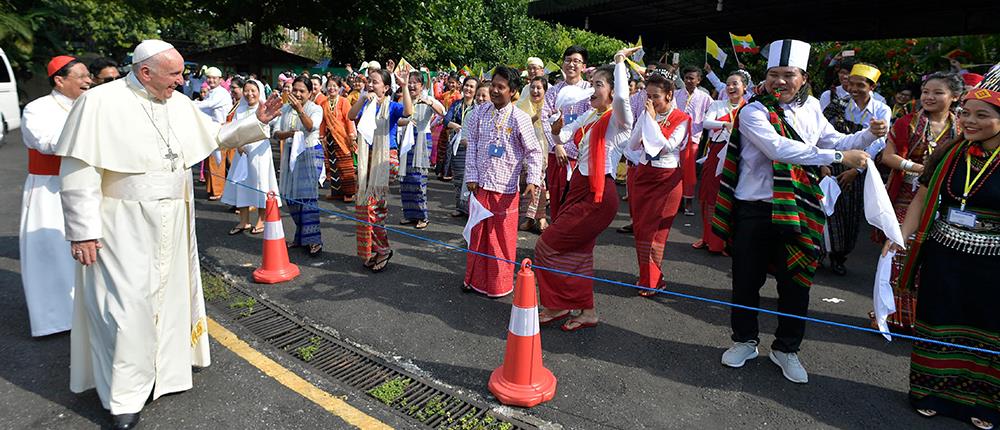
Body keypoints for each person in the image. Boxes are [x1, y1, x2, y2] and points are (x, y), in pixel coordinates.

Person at [54, 40, 282, 429]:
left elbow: (215, 136)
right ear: (145, 72)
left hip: (174, 217)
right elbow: (78, 172)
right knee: (126, 308)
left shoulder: (176, 103)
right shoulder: (100, 103)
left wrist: (256, 121)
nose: (182, 80)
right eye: (175, 74)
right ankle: (124, 395)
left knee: (170, 296)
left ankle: (166, 371)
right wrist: (83, 231)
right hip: (121, 222)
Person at [711, 39, 887, 383]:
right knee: (746, 281)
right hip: (755, 210)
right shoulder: (753, 111)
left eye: (787, 75)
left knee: (797, 283)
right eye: (773, 74)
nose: (780, 81)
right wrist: (838, 159)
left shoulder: (810, 111)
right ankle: (745, 341)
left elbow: (835, 139)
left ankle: (786, 349)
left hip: (797, 206)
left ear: (803, 77)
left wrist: (867, 135)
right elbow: (780, 149)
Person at [885, 67, 1000, 430]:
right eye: (966, 112)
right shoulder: (951, 153)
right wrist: (900, 234)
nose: (970, 121)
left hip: (993, 264)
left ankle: (986, 404)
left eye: (983, 115)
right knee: (937, 321)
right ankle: (930, 393)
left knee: (986, 328)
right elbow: (921, 198)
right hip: (944, 254)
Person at [535, 48, 636, 331]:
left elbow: (623, 99)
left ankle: (559, 303)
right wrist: (556, 130)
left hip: (598, 197)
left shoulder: (619, 121)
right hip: (578, 189)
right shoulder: (591, 115)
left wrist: (618, 62)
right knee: (575, 253)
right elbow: (563, 135)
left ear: (613, 91)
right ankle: (586, 310)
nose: (592, 89)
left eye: (598, 85)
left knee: (546, 245)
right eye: (592, 84)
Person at [878, 72, 962, 330]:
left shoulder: (962, 128)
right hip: (906, 198)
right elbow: (887, 157)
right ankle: (892, 314)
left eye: (938, 92)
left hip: (945, 200)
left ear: (955, 97)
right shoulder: (907, 122)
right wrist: (917, 167)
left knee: (932, 260)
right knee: (899, 252)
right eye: (926, 92)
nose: (929, 97)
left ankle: (921, 317)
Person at [19, 56, 91, 337]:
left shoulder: (90, 105)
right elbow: (44, 141)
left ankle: (86, 312)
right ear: (60, 80)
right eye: (81, 76)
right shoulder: (38, 109)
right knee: (50, 251)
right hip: (49, 188)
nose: (88, 81)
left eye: (89, 75)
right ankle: (55, 319)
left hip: (86, 187)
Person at [462, 66, 543, 297]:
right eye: (493, 85)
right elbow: (472, 145)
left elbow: (534, 152)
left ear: (513, 91)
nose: (495, 90)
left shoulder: (520, 118)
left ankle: (499, 286)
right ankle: (473, 281)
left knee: (501, 242)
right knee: (477, 237)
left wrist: (533, 179)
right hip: (480, 187)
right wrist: (471, 176)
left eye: (501, 87)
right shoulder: (479, 112)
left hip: (505, 190)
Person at [621, 71, 690, 297]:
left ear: (669, 95)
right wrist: (646, 122)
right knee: (641, 228)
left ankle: (653, 279)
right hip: (644, 176)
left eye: (656, 97)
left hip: (667, 179)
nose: (650, 102)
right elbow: (632, 144)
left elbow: (666, 146)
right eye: (647, 96)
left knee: (657, 233)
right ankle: (646, 276)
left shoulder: (681, 118)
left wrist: (650, 122)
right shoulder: (646, 114)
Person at [821, 63, 892, 275]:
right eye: (850, 84)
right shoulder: (837, 105)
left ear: (872, 86)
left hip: (861, 165)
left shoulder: (881, 109)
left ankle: (839, 257)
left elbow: (879, 142)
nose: (853, 89)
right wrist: (823, 164)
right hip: (832, 160)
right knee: (826, 210)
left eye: (860, 85)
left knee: (849, 214)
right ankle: (819, 253)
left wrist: (857, 170)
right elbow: (823, 135)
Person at [349, 67, 413, 272]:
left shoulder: (392, 106)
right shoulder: (366, 105)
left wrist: (404, 86)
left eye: (375, 82)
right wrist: (362, 99)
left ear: (385, 88)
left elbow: (408, 112)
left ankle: (383, 250)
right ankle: (375, 249)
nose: (370, 84)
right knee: (368, 208)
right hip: (366, 158)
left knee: (373, 209)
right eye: (369, 80)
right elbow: (351, 116)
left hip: (386, 160)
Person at [694, 69, 749, 254]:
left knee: (731, 198)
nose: (731, 87)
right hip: (716, 153)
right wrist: (725, 124)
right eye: (728, 84)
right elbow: (706, 123)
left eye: (735, 84)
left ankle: (727, 241)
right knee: (710, 196)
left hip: (737, 157)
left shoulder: (749, 108)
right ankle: (710, 239)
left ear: (745, 87)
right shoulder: (718, 105)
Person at [272, 76, 325, 256]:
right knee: (291, 197)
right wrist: (288, 133)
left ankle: (314, 240)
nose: (298, 93)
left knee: (308, 197)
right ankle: (301, 236)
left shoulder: (315, 108)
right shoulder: (285, 109)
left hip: (310, 154)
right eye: (295, 90)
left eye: (302, 91)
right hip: (290, 154)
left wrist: (300, 110)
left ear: (310, 93)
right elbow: (276, 133)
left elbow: (311, 128)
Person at [222, 79, 281, 235]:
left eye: (253, 90)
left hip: (259, 152)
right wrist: (238, 144)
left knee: (261, 183)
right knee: (241, 184)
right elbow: (233, 129)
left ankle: (261, 220)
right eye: (246, 90)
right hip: (241, 153)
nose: (249, 94)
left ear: (259, 91)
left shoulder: (264, 108)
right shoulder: (239, 110)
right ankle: (244, 221)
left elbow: (271, 126)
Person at [542, 46, 592, 221]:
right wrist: (557, 145)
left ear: (584, 66)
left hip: (579, 156)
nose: (571, 64)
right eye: (568, 60)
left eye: (576, 61)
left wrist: (574, 148)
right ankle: (555, 237)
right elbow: (544, 119)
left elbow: (590, 122)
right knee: (556, 198)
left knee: (574, 201)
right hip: (556, 154)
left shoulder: (589, 91)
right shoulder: (553, 91)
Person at [399, 71, 446, 229]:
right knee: (406, 179)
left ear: (422, 85)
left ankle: (422, 216)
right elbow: (397, 119)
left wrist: (430, 103)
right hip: (406, 139)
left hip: (421, 139)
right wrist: (405, 122)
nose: (412, 85)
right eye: (409, 82)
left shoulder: (428, 99)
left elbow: (443, 113)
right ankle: (409, 214)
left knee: (419, 179)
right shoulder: (404, 98)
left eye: (415, 83)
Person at [674, 66, 713, 216]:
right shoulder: (676, 94)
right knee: (674, 170)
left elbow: (712, 116)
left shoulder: (705, 98)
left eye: (692, 78)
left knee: (688, 171)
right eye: (686, 78)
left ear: (699, 80)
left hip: (693, 139)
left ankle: (688, 200)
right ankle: (676, 200)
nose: (689, 81)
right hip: (674, 138)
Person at [516, 76, 549, 233]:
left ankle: (539, 217)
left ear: (545, 90)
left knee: (540, 183)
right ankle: (530, 218)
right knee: (527, 183)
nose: (535, 91)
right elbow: (522, 125)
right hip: (525, 148)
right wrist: (538, 115)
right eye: (533, 88)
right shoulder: (522, 105)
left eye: (539, 88)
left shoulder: (550, 105)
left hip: (544, 148)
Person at [443, 77, 480, 217]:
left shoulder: (478, 107)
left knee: (470, 178)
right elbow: (446, 120)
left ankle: (471, 207)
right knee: (458, 177)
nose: (468, 89)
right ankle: (460, 207)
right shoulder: (457, 104)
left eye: (472, 87)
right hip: (457, 144)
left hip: (472, 145)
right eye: (466, 86)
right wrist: (457, 126)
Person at [196, 66, 234, 201]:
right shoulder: (212, 92)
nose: (211, 80)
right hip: (213, 129)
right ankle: (212, 188)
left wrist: (190, 104)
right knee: (210, 161)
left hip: (221, 129)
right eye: (209, 78)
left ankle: (219, 190)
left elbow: (209, 105)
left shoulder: (220, 93)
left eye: (214, 78)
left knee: (216, 161)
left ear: (220, 79)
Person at [319, 76, 358, 202]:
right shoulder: (323, 103)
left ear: (339, 88)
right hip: (330, 138)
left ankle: (349, 193)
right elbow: (323, 121)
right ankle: (336, 192)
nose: (332, 88)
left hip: (342, 137)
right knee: (332, 165)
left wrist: (351, 134)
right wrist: (321, 135)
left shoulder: (344, 101)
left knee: (345, 165)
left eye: (335, 86)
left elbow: (348, 119)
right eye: (329, 86)